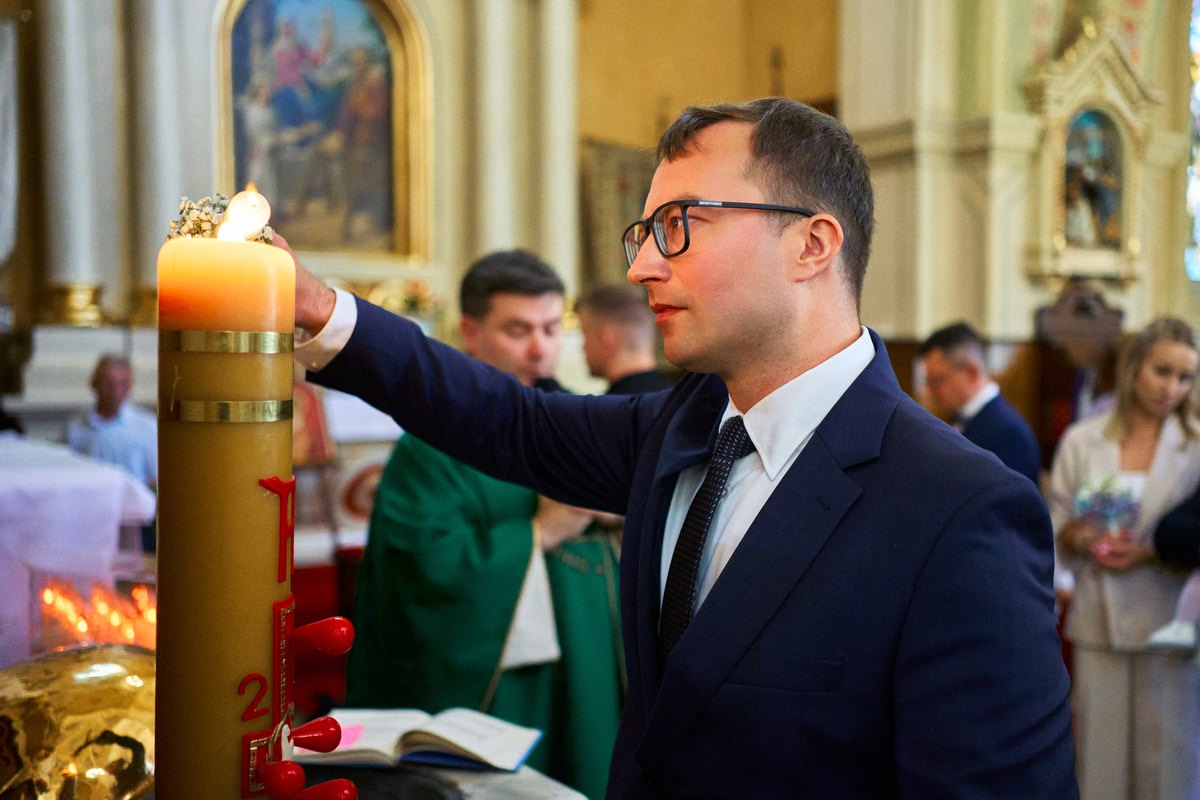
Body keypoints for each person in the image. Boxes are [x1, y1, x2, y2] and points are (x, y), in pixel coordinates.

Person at [285, 97, 1076, 797]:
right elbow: (510, 421)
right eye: (644, 232)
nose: (641, 266)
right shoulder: (681, 429)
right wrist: (321, 312)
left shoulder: (957, 507)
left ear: (812, 245)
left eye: (679, 225)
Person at [344, 250, 622, 800]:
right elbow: (421, 571)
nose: (540, 349)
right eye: (518, 330)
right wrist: (540, 532)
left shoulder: (584, 421)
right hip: (502, 690)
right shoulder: (430, 446)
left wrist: (626, 511)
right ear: (470, 332)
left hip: (591, 664)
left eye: (551, 328)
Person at [1046, 317, 1200, 800]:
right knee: (1100, 763)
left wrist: (1151, 552)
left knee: (1168, 765)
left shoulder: (1196, 445)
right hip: (1099, 616)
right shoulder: (1084, 439)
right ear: (1135, 367)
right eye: (1162, 371)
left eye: (1185, 377)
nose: (1172, 388)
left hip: (1171, 619)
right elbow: (1056, 521)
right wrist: (1079, 536)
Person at [918, 321, 1042, 485]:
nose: (928, 391)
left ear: (972, 372)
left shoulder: (1009, 433)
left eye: (936, 380)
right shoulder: (968, 420)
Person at [66, 354, 156, 490]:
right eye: (108, 383)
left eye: (123, 385)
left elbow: (158, 478)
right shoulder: (76, 425)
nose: (115, 392)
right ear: (94, 383)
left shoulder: (147, 426)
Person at [576, 284, 674, 396]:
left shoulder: (613, 405)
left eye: (585, 335)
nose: (583, 347)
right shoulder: (677, 397)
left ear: (607, 340)